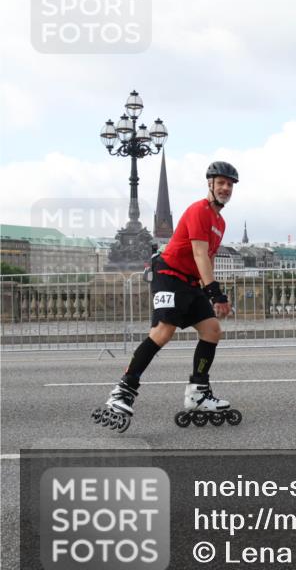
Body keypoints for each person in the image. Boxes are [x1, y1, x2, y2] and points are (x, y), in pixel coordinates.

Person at [92, 161, 242, 432]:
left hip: (190, 280)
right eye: (220, 183)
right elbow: (198, 253)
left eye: (230, 184)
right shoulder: (199, 211)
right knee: (162, 332)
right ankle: (124, 390)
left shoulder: (220, 222)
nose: (225, 188)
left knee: (211, 331)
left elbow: (206, 258)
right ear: (210, 184)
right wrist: (215, 293)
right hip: (169, 275)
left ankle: (198, 393)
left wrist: (210, 290)